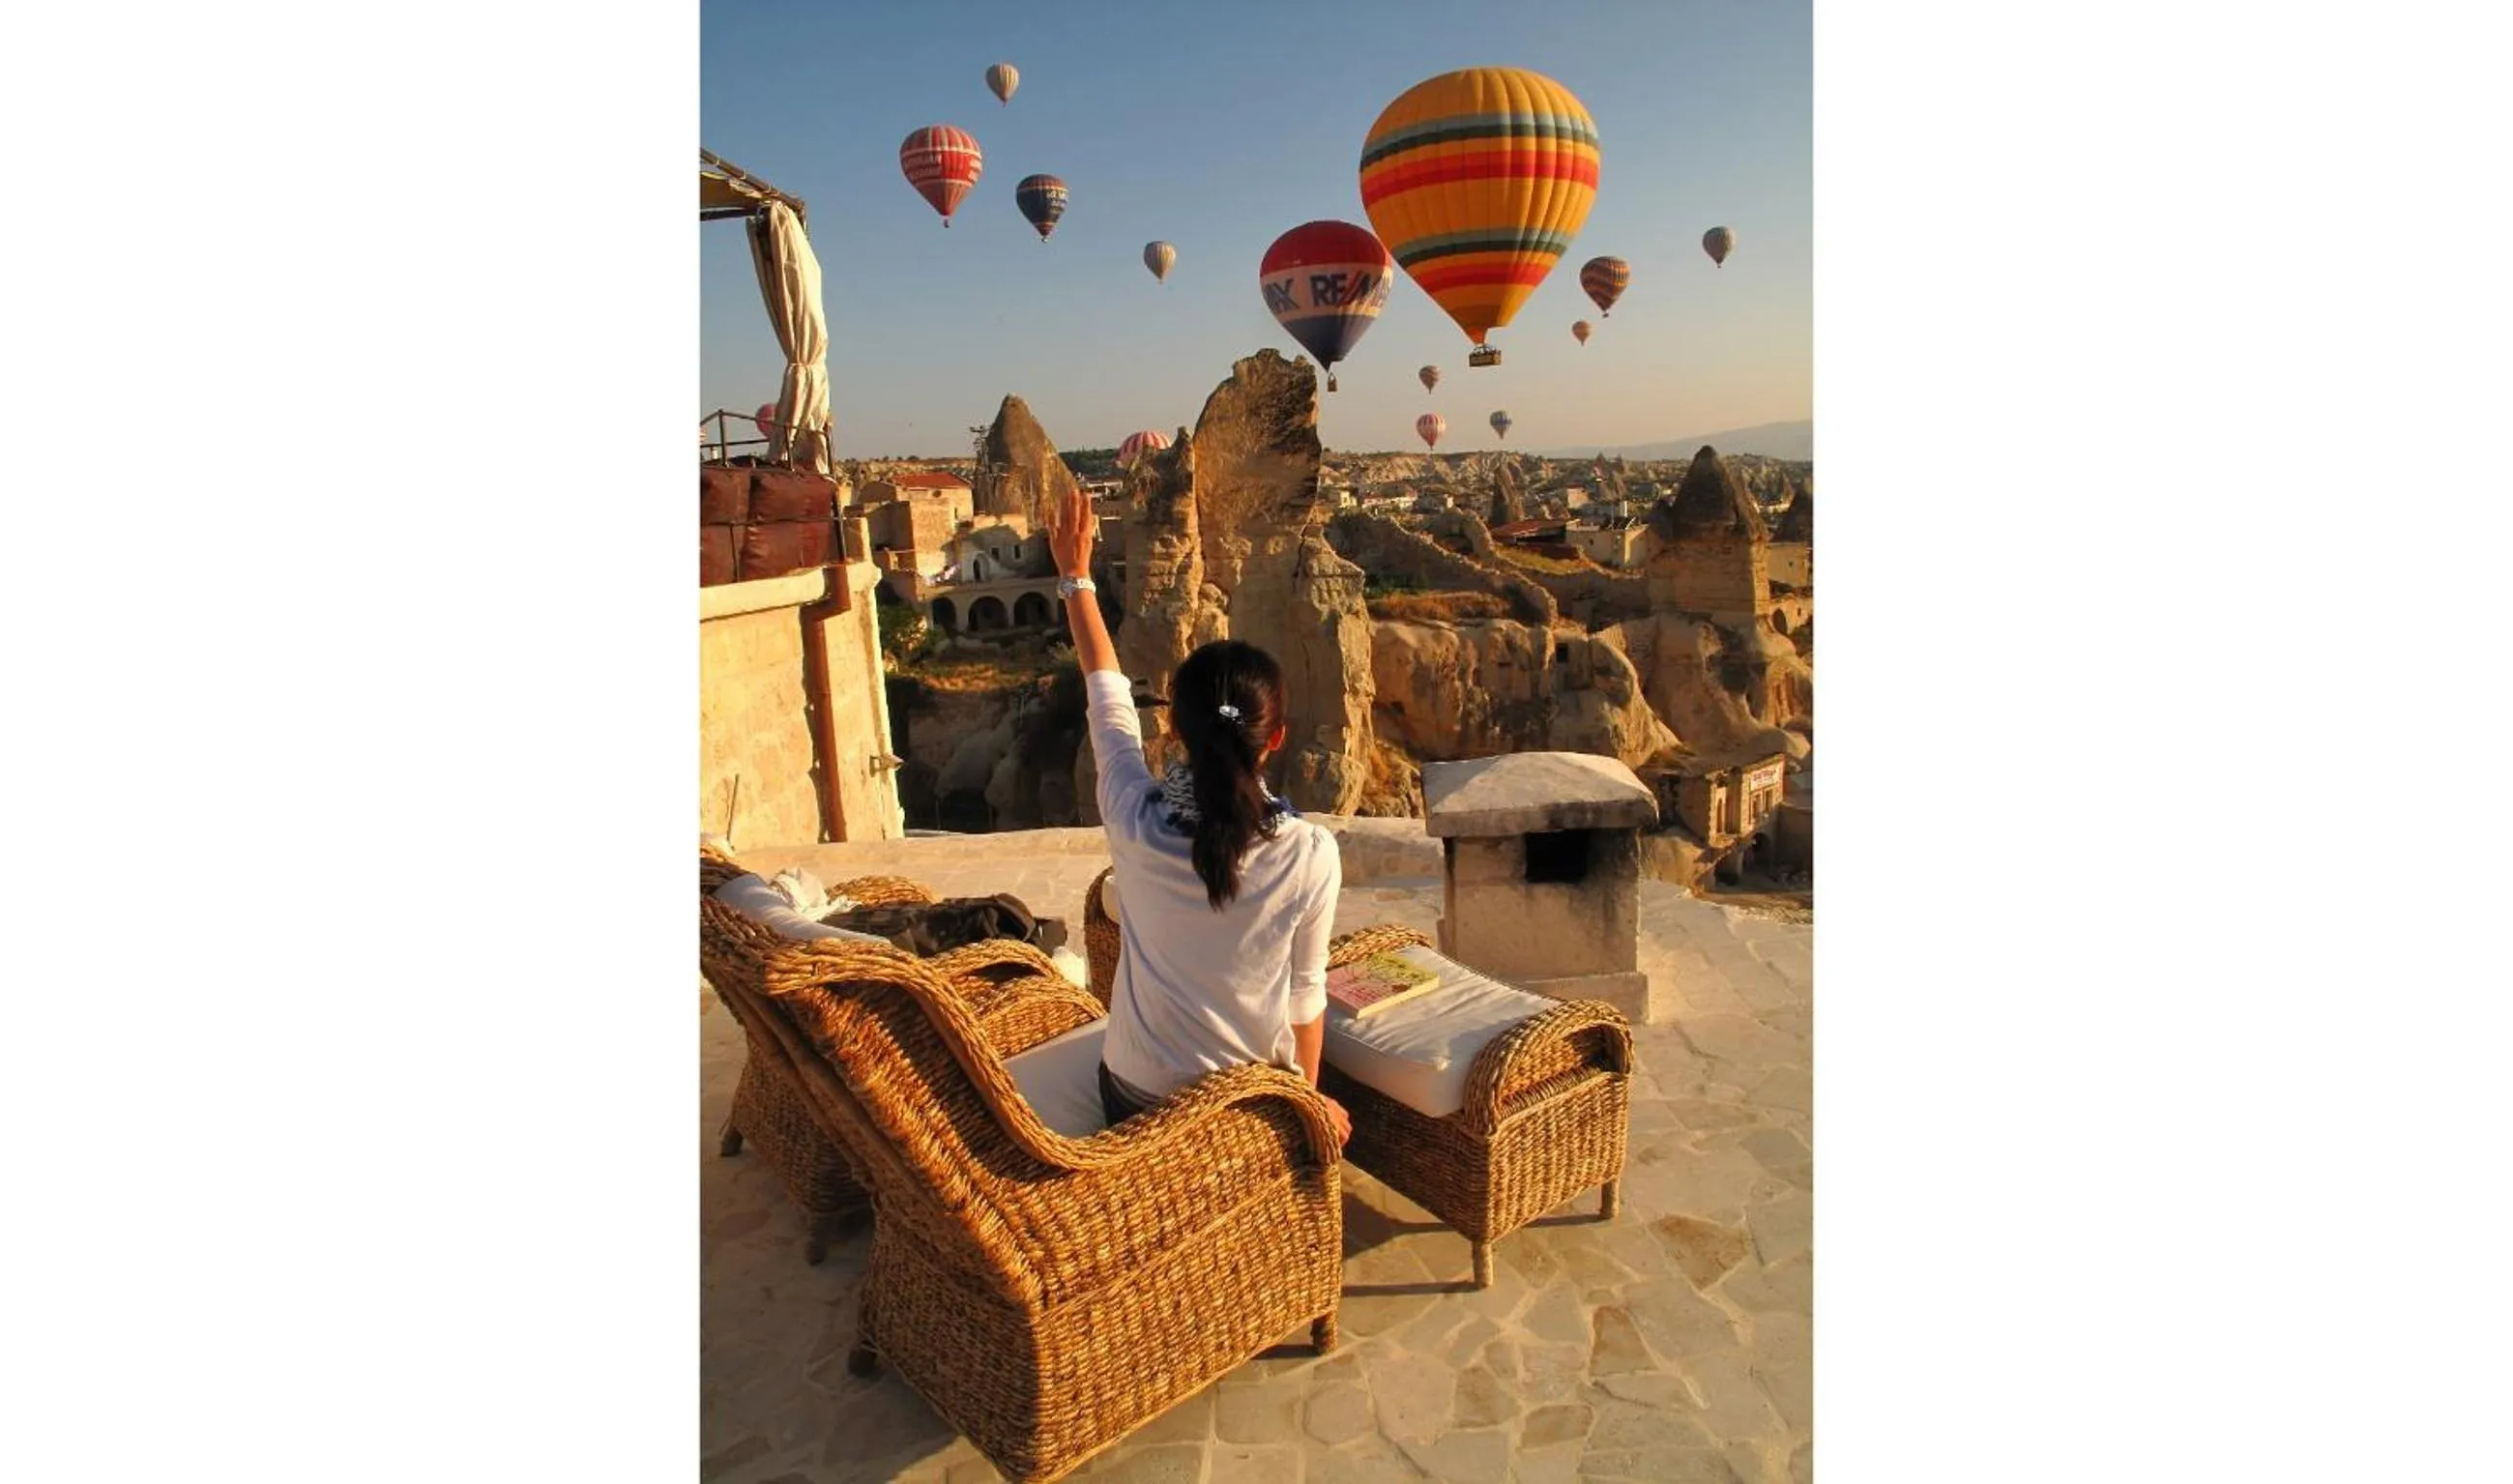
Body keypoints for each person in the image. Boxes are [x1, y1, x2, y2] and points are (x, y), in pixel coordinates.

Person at [1046, 488, 1353, 1149]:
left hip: (1131, 1098)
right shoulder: (1309, 853)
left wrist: (1076, 576)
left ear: (1176, 731)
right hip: (1245, 1109)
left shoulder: (1131, 815)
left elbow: (1106, 694)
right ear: (1276, 739)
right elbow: (1305, 997)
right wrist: (1309, 1105)